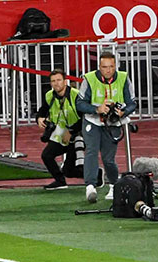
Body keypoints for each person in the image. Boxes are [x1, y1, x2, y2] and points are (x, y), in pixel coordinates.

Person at [75, 51, 136, 203]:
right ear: (99, 66)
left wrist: (123, 112)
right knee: (91, 151)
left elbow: (132, 103)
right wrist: (97, 109)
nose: (108, 70)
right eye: (104, 67)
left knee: (108, 159)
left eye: (111, 67)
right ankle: (90, 186)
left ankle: (114, 185)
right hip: (92, 121)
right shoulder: (88, 79)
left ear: (116, 66)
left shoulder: (123, 78)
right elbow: (80, 103)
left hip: (113, 122)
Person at [34, 69, 82, 190]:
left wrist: (71, 131)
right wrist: (39, 118)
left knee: (69, 170)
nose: (56, 83)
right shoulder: (49, 95)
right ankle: (60, 181)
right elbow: (43, 110)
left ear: (65, 81)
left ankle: (97, 174)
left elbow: (85, 117)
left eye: (59, 80)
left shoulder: (76, 95)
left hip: (78, 133)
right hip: (61, 133)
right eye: (53, 81)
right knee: (47, 155)